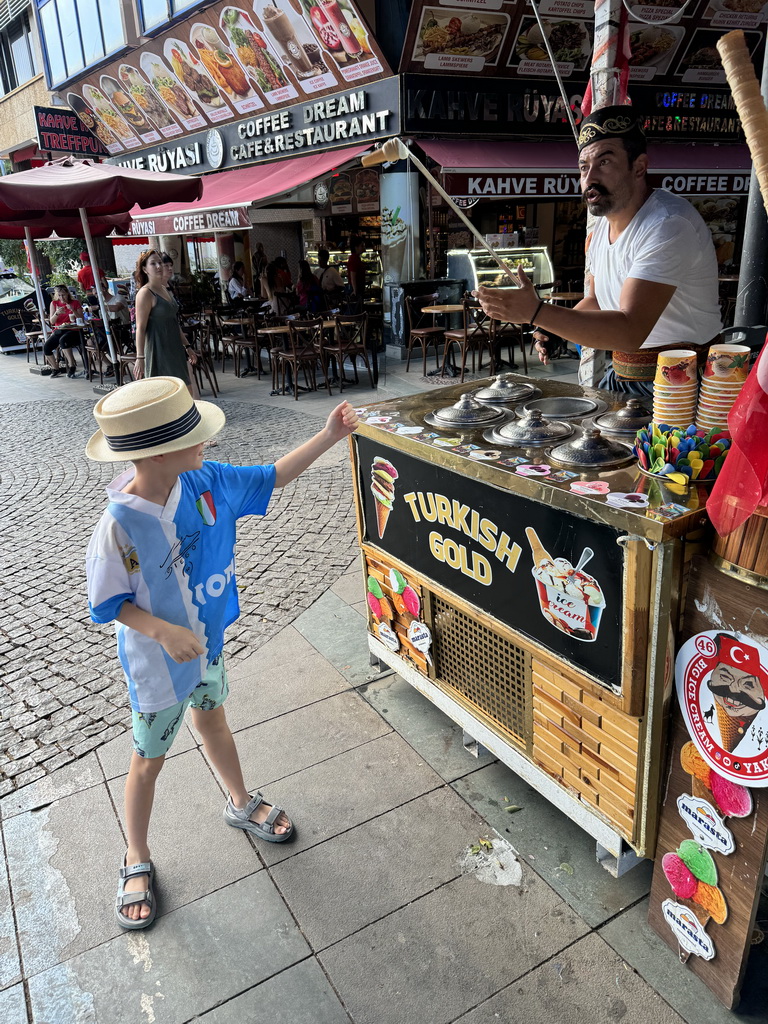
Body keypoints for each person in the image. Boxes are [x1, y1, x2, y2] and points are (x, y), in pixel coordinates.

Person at [84, 376, 359, 928]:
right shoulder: (118, 526)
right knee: (148, 760)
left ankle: (238, 800)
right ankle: (135, 854)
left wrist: (329, 435)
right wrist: (162, 632)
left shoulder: (208, 481)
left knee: (215, 722)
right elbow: (107, 602)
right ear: (159, 452)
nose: (207, 441)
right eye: (194, 435)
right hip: (159, 671)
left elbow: (274, 476)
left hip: (207, 648)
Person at [477, 107, 722, 397]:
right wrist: (553, 327)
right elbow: (595, 300)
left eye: (604, 161)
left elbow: (631, 330)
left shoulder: (667, 224)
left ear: (639, 167)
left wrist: (537, 311)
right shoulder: (597, 234)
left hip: (681, 385)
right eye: (583, 167)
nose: (590, 177)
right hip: (621, 376)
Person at [132, 249, 197, 394]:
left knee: (185, 391)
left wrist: (188, 346)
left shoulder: (165, 289)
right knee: (163, 395)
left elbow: (173, 322)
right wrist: (140, 357)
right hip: (157, 350)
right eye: (153, 263)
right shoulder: (145, 293)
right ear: (145, 269)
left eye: (160, 262)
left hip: (175, 348)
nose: (158, 266)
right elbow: (140, 328)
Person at [43, 284, 84, 378]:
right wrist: (57, 313)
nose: (62, 297)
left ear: (67, 294)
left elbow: (81, 319)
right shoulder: (54, 303)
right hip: (60, 329)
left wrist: (73, 310)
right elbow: (52, 322)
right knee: (47, 347)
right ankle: (55, 368)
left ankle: (71, 365)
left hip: (73, 329)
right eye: (59, 295)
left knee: (63, 340)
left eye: (63, 295)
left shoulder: (75, 302)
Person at [346, 237, 366, 309]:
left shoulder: (356, 258)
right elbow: (353, 275)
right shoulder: (354, 258)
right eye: (362, 246)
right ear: (356, 247)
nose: (364, 248)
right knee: (356, 309)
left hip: (356, 288)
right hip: (355, 289)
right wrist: (355, 290)